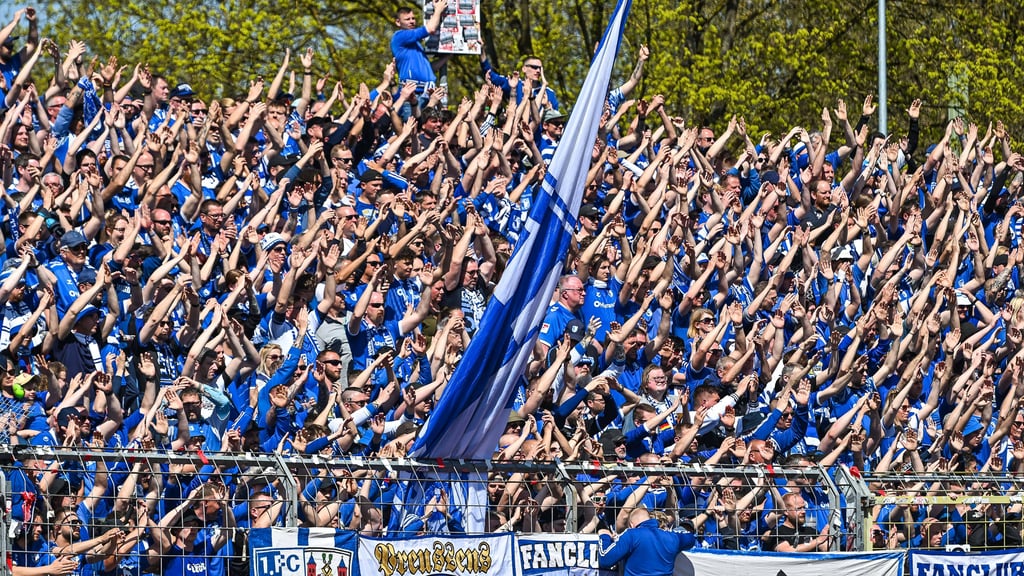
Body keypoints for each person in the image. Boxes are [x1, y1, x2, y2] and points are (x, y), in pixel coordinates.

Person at [598, 506, 695, 576]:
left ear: (631, 525)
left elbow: (605, 559)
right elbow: (691, 539)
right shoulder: (673, 537)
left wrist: (604, 535)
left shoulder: (631, 534)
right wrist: (676, 531)